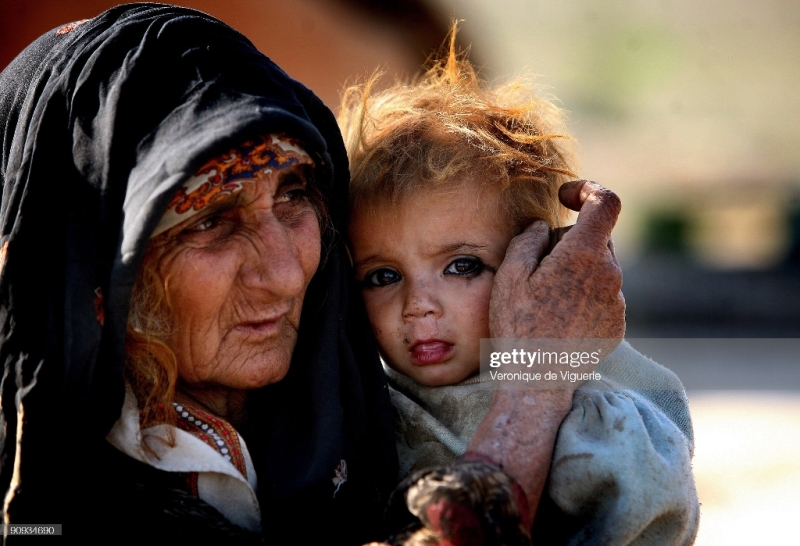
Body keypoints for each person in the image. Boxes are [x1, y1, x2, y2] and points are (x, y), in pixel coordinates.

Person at [0, 5, 679, 545]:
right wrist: (533, 387)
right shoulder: (40, 498)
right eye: (210, 222)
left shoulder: (352, 402)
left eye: (295, 196)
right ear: (93, 266)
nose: (288, 271)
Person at [339, 33, 700, 545]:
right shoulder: (359, 408)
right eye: (383, 276)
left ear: (534, 270)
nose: (417, 306)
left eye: (462, 266)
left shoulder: (590, 419)